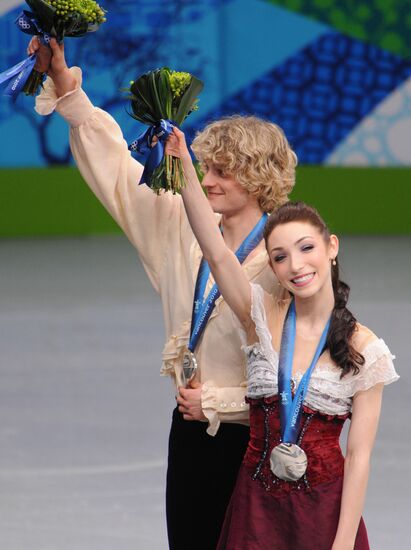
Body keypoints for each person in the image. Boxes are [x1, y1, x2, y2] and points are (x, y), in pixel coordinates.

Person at [27, 37, 298, 549]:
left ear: (258, 177)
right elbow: (117, 173)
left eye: (223, 171)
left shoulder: (286, 253)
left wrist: (218, 401)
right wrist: (64, 82)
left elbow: (296, 367)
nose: (208, 179)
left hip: (256, 436)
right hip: (192, 431)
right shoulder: (180, 225)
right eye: (206, 167)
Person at [165, 127, 399, 549]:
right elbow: (216, 251)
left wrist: (343, 543)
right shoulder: (259, 318)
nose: (296, 265)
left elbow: (359, 458)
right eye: (280, 256)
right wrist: (182, 163)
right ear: (270, 268)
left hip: (322, 515)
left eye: (306, 248)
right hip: (255, 511)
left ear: (331, 247)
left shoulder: (366, 350)